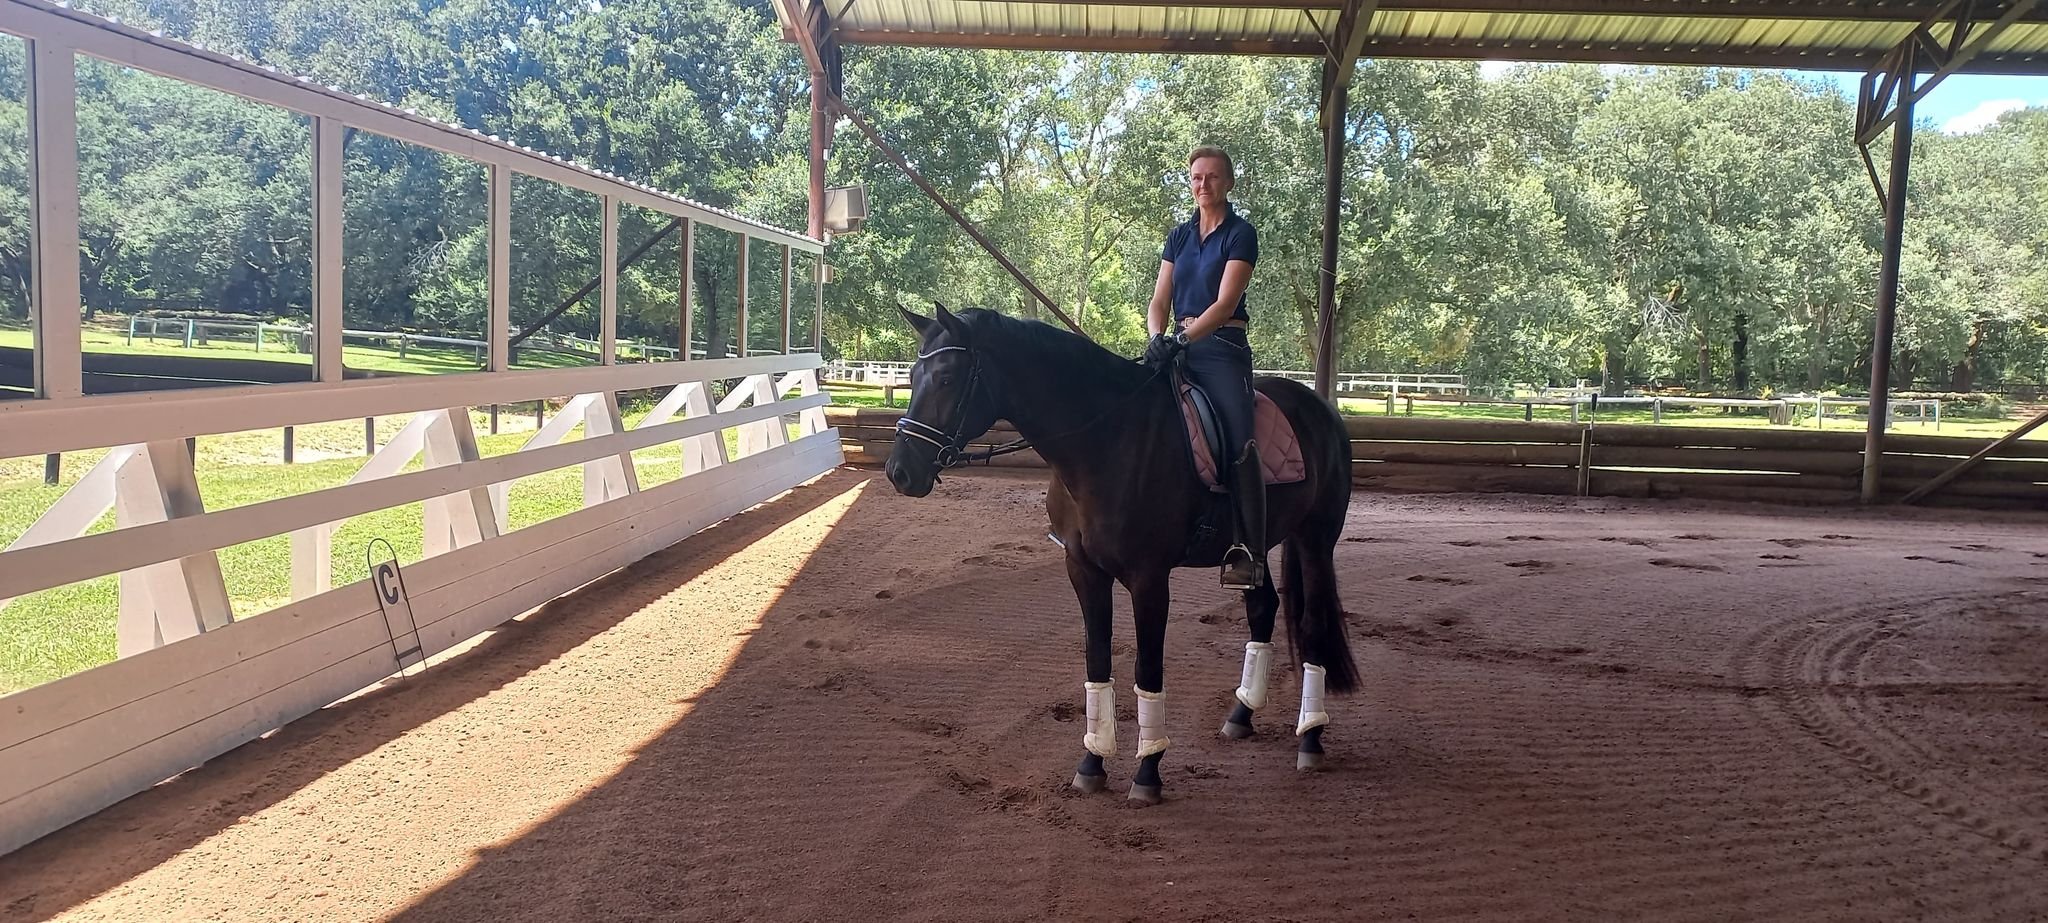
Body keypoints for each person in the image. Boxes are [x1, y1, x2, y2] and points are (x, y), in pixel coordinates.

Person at [1142, 145, 1263, 590]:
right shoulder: (1178, 236)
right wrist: (1157, 337)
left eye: (1212, 176)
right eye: (1196, 177)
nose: (1203, 184)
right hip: (1177, 345)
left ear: (1228, 182)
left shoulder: (1240, 234)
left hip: (1221, 347)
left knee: (1239, 438)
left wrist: (1183, 338)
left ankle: (1249, 549)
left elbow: (1226, 303)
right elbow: (1160, 299)